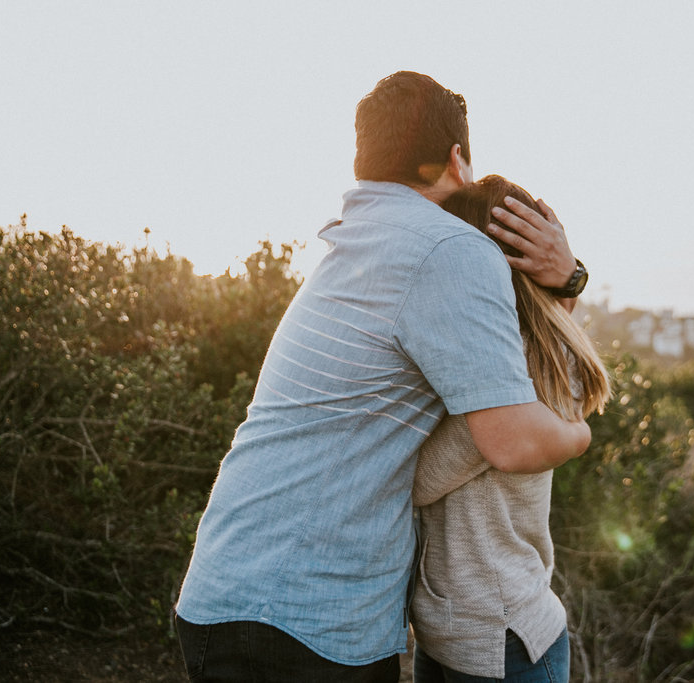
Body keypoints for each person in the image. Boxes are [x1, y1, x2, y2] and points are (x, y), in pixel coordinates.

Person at [174, 71, 593, 682]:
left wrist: (566, 283)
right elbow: (515, 439)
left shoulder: (352, 247)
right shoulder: (449, 247)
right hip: (308, 623)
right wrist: (581, 433)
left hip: (223, 592)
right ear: (456, 159)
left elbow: (502, 350)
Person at [410, 175, 612, 682]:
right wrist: (569, 277)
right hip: (459, 634)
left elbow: (420, 479)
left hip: (500, 643)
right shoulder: (533, 349)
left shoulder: (512, 367)